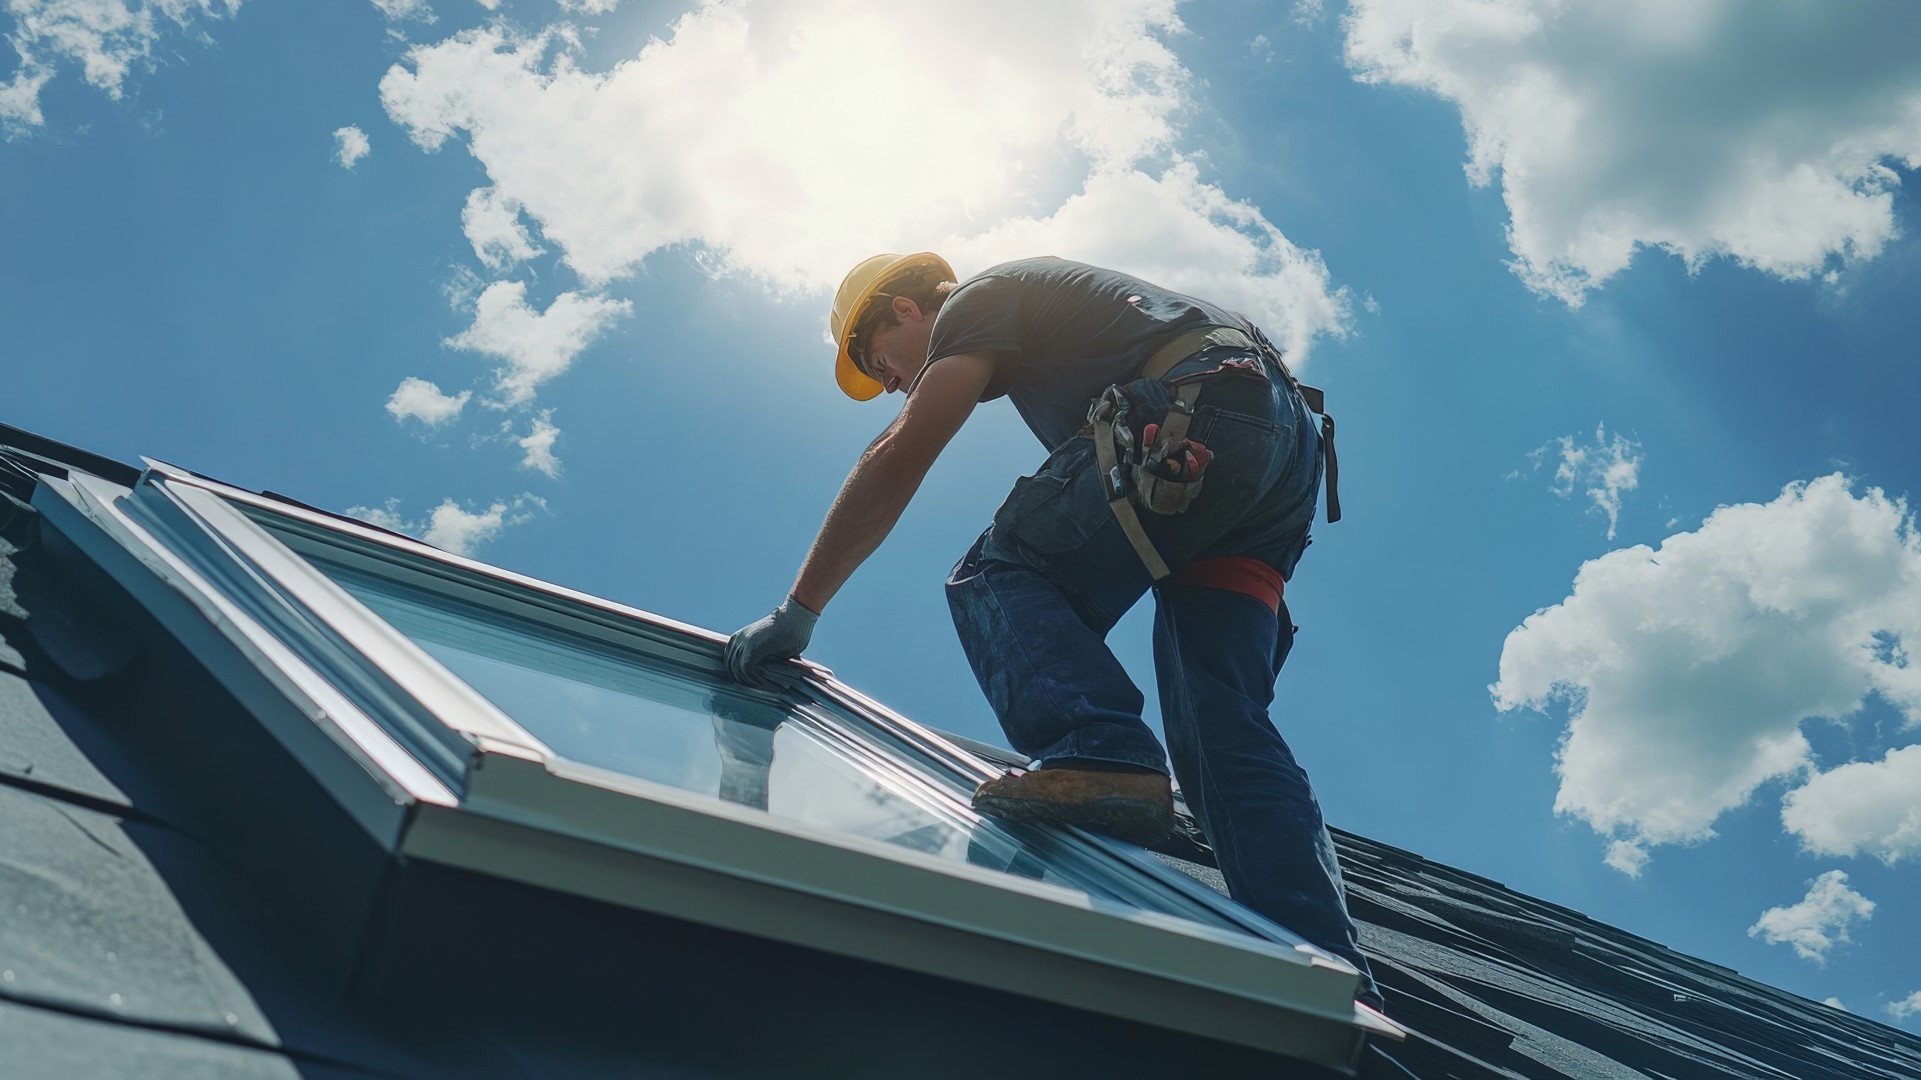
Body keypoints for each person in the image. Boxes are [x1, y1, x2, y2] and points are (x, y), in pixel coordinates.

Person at [724, 253, 1379, 1005]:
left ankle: (1099, 752)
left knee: (1001, 573)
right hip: (1272, 466)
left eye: (881, 363)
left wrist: (798, 612)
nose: (893, 384)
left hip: (1202, 412)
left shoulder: (978, 298)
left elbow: (906, 444)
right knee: (1219, 722)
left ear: (906, 308)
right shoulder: (1080, 333)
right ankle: (1326, 973)